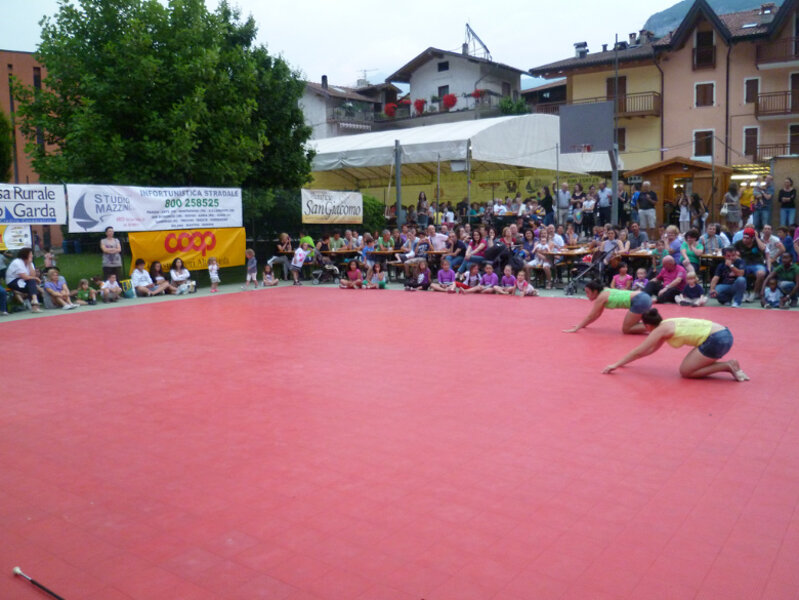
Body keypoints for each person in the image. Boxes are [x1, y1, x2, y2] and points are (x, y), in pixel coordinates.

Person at [603, 309, 749, 382]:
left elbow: (639, 351)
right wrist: (624, 364)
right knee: (689, 367)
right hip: (724, 333)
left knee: (686, 372)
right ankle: (727, 365)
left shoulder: (660, 330)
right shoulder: (667, 323)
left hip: (716, 340)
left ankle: (727, 366)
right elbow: (650, 350)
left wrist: (616, 364)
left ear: (647, 325)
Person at [563, 280, 653, 335]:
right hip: (643, 297)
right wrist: (583, 325)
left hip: (640, 300)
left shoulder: (601, 297)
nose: (587, 295)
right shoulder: (605, 290)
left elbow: (591, 315)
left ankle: (655, 326)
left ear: (595, 291)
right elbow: (596, 315)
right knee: (632, 326)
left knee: (627, 329)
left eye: (588, 292)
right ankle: (654, 325)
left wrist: (577, 328)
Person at [734, 227, 767, 301]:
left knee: (761, 273)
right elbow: (730, 250)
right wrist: (736, 255)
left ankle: (754, 293)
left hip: (757, 264)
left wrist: (756, 237)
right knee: (738, 271)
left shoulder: (757, 242)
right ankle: (744, 292)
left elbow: (763, 248)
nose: (745, 240)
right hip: (744, 264)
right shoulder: (739, 243)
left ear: (752, 238)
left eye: (747, 238)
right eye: (744, 237)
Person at [5, 248, 42, 313]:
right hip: (13, 281)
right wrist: (35, 278)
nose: (32, 255)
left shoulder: (30, 262)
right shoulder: (17, 262)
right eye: (31, 254)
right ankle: (35, 304)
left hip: (23, 280)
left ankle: (34, 301)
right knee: (32, 284)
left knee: (32, 283)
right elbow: (25, 277)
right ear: (26, 254)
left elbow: (33, 275)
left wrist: (29, 264)